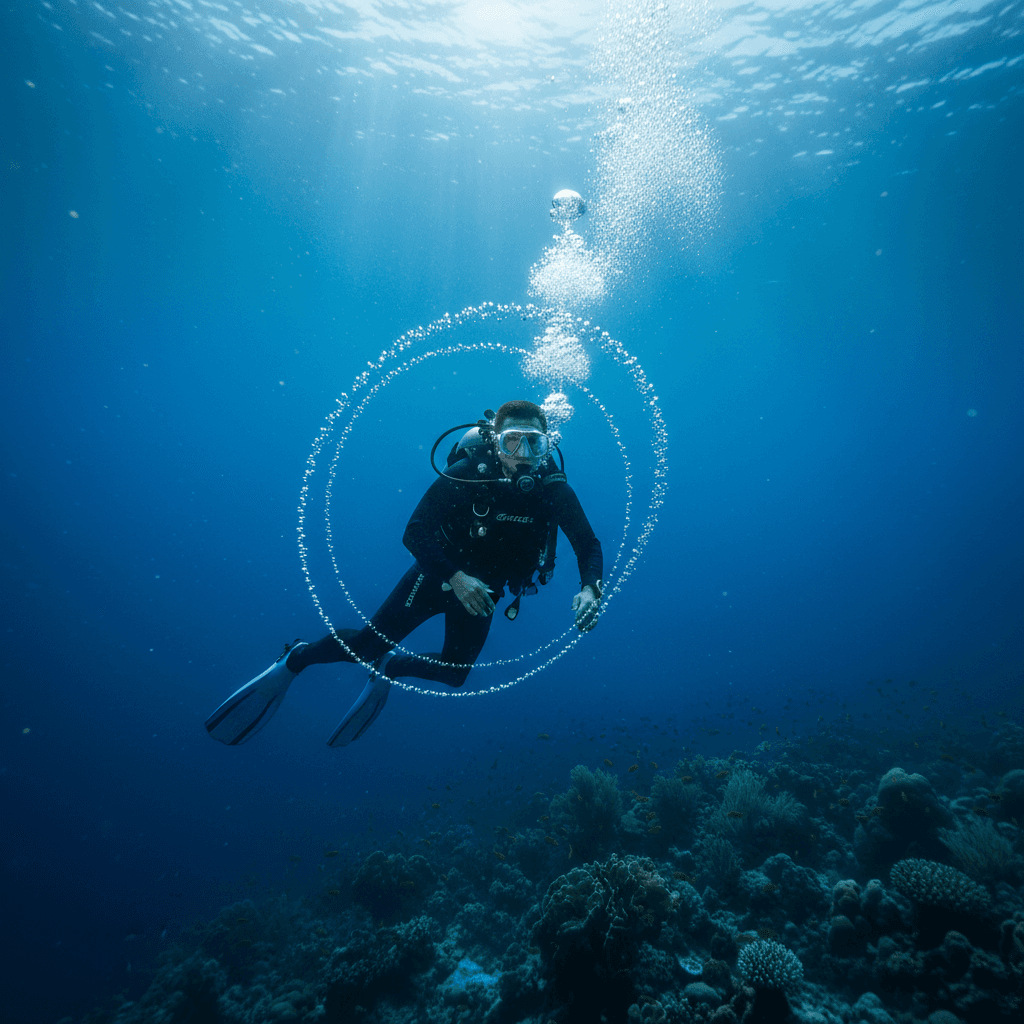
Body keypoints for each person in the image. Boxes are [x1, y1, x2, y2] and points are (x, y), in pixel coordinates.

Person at [205, 399, 602, 748]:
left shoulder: (554, 490)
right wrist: (457, 578)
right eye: (512, 441)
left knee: (455, 675)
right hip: (436, 577)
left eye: (535, 442)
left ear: (548, 445)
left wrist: (589, 588)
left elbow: (587, 543)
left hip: (485, 592)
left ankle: (393, 666)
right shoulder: (469, 471)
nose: (523, 454)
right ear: (496, 442)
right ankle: (297, 658)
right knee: (364, 647)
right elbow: (414, 531)